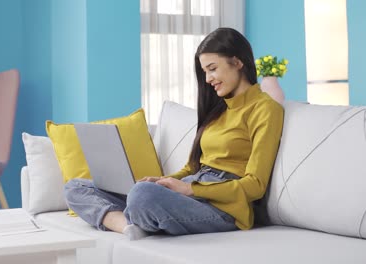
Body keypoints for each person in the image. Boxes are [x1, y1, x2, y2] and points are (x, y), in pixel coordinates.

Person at [64, 27, 284, 240]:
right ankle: (129, 226)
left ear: (237, 62)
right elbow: (192, 168)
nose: (207, 79)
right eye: (205, 71)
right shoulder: (218, 109)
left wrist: (189, 189)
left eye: (212, 68)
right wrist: (165, 180)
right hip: (192, 189)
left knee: (143, 195)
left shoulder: (265, 108)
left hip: (224, 208)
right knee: (76, 187)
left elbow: (255, 185)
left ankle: (137, 216)